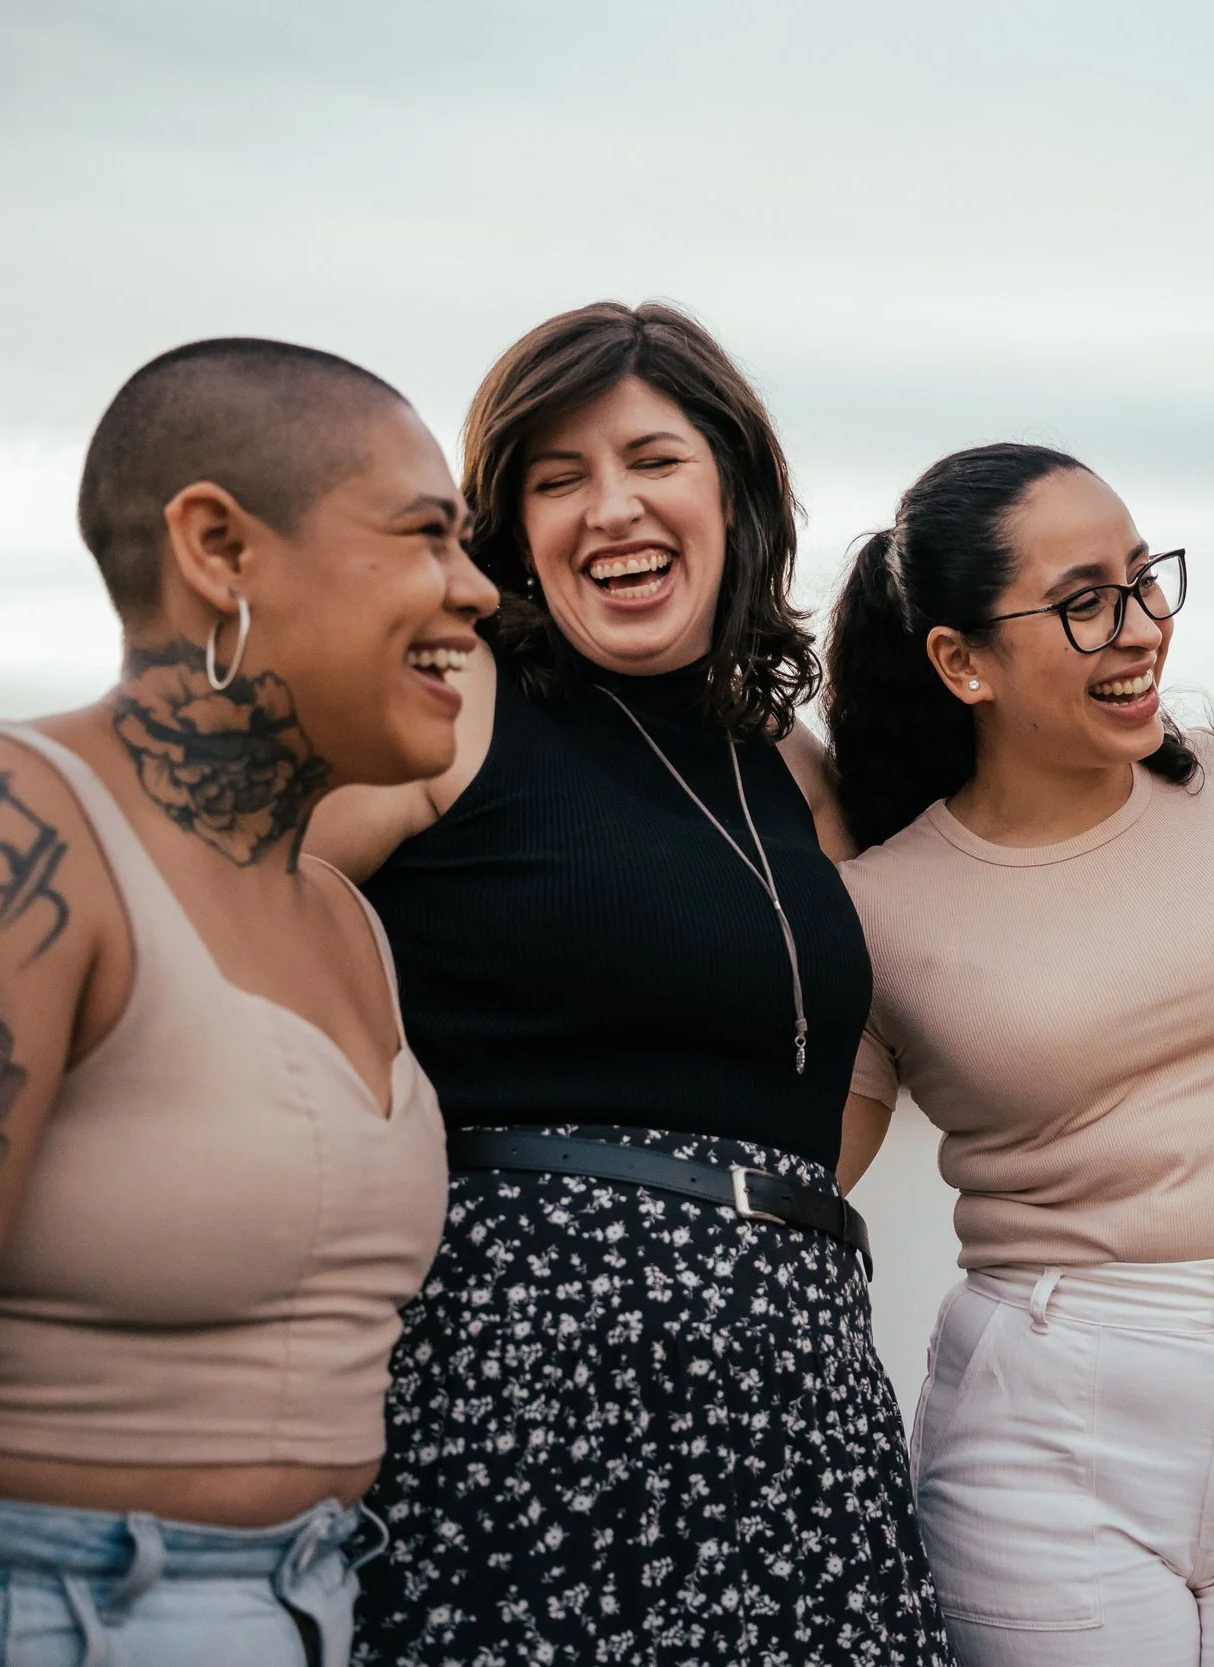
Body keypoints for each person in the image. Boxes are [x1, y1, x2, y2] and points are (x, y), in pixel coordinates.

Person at [307, 301, 949, 1666]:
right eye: (557, 478)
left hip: (797, 1399)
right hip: (519, 1401)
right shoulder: (454, 694)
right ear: (509, 527)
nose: (612, 508)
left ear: (733, 489)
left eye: (653, 459)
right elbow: (221, 889)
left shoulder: (791, 765)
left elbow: (856, 1040)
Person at [0, 338, 486, 1664]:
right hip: (44, 1613)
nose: (478, 588)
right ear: (219, 546)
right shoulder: (3, 831)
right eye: (427, 535)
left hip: (318, 1604)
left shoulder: (341, 915)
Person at [824, 443, 1214, 1666]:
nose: (1139, 628)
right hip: (1049, 1428)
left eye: (1143, 578)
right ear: (961, 661)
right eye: (1083, 603)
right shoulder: (876, 904)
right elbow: (812, 1173)